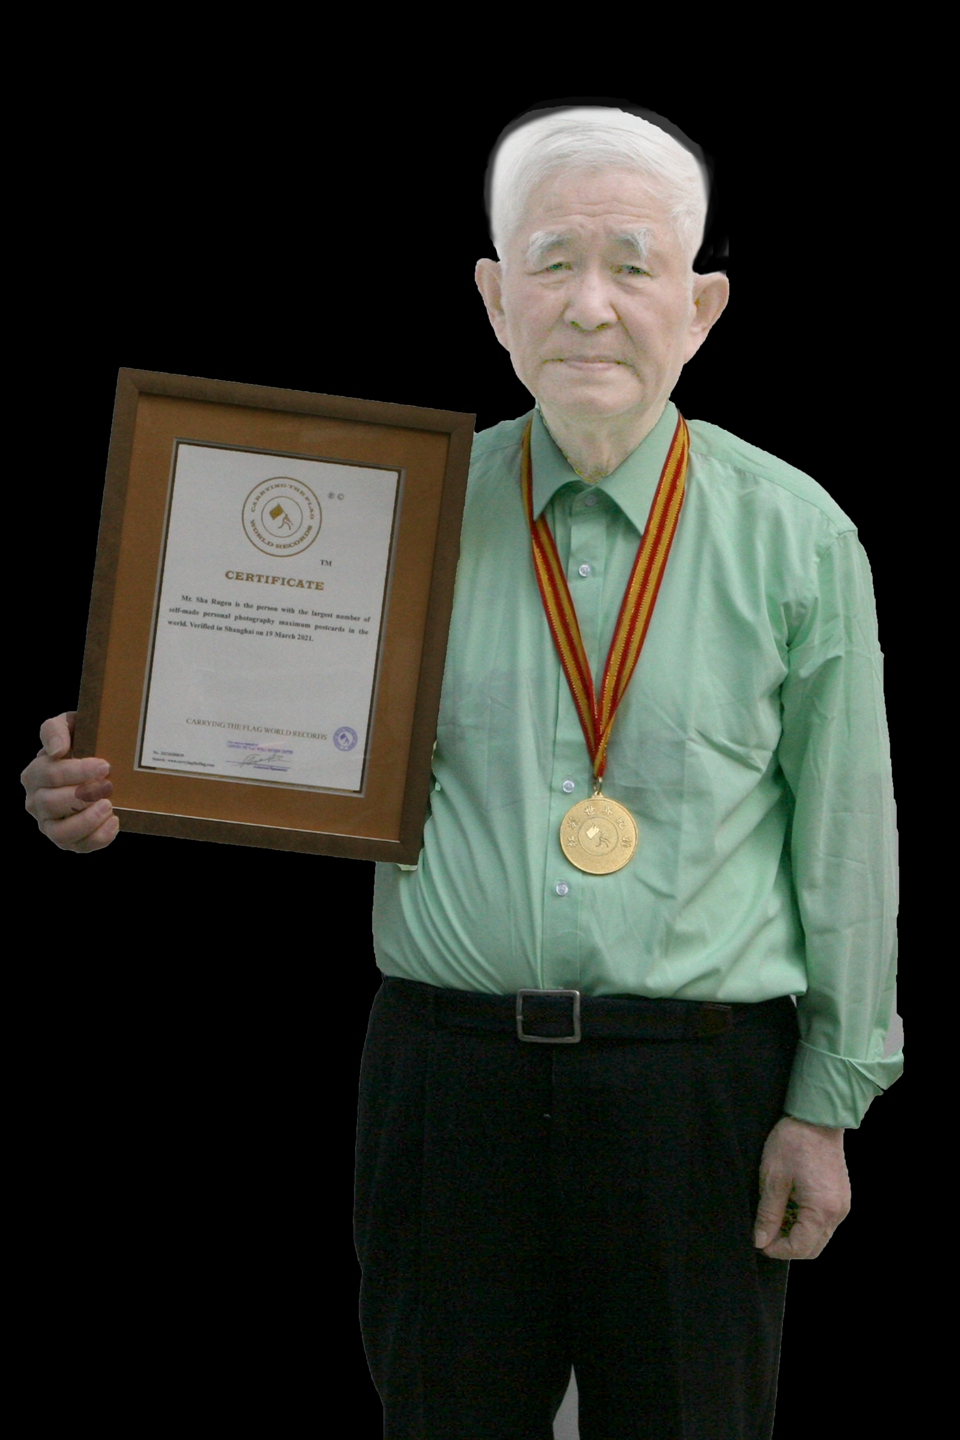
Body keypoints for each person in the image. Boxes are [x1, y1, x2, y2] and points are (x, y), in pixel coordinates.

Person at [22, 104, 902, 1439]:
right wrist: (116, 779)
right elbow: (238, 718)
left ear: (702, 306)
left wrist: (826, 1108)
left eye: (634, 265)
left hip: (697, 1094)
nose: (592, 305)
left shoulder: (798, 536)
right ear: (495, 300)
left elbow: (846, 841)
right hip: (448, 1086)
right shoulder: (389, 515)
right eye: (553, 263)